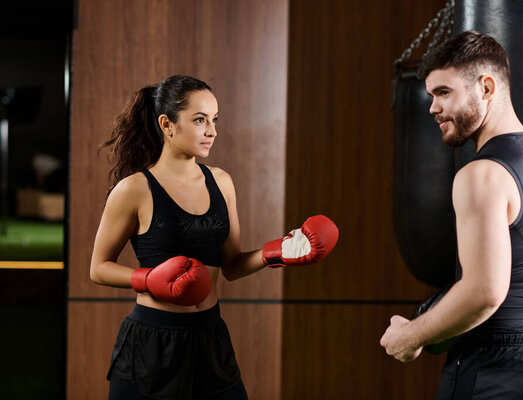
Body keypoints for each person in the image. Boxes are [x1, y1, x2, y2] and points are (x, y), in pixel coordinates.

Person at [90, 75, 339, 400]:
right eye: (199, 120)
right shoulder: (135, 189)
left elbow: (232, 265)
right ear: (167, 124)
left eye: (214, 120)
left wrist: (277, 252)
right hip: (152, 344)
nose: (212, 131)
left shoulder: (221, 182)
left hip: (210, 337)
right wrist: (150, 279)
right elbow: (98, 268)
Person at [380, 31, 523, 399]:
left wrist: (410, 337)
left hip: (501, 370)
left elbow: (485, 292)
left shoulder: (480, 175)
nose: (432, 107)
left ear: (487, 87)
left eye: (444, 93)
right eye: (430, 95)